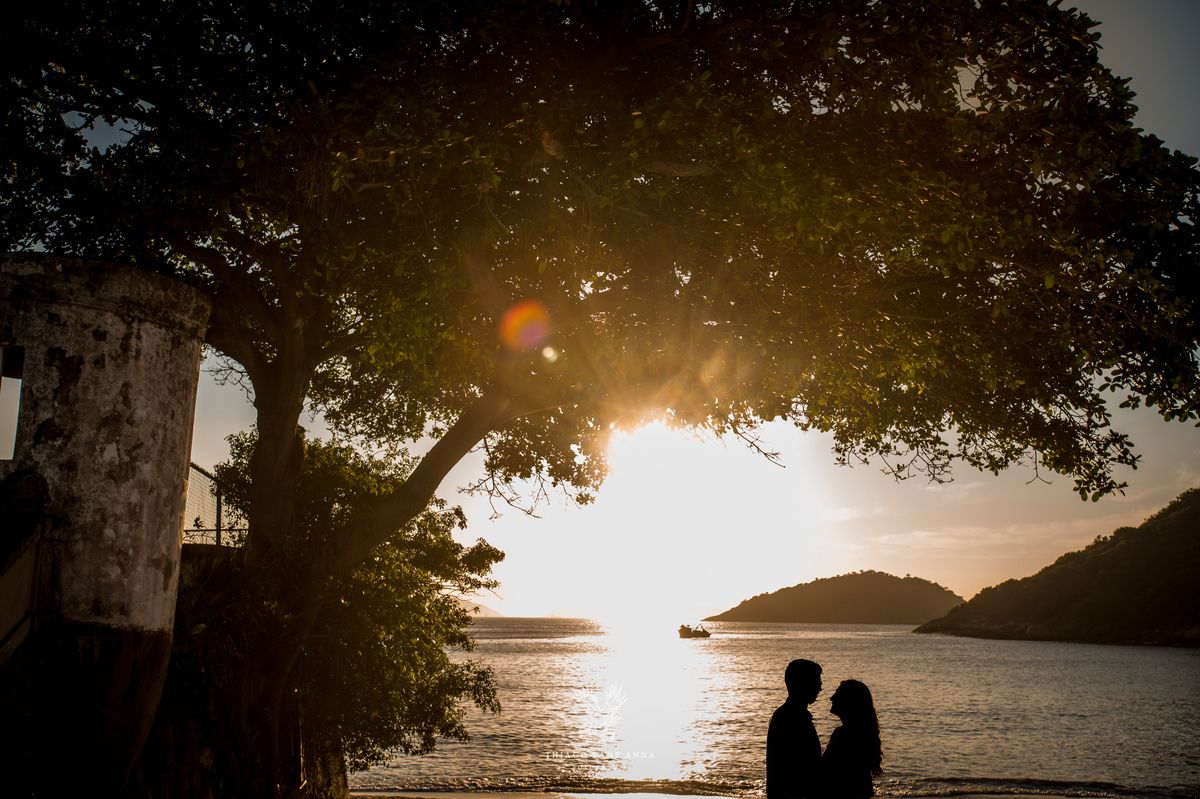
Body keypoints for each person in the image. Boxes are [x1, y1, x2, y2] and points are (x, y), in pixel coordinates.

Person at [766, 658, 823, 799]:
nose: (820, 688)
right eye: (816, 682)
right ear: (803, 684)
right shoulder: (791, 717)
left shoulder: (789, 715)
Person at [821, 679, 883, 798]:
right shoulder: (845, 732)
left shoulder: (850, 734)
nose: (831, 698)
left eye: (837, 694)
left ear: (850, 701)